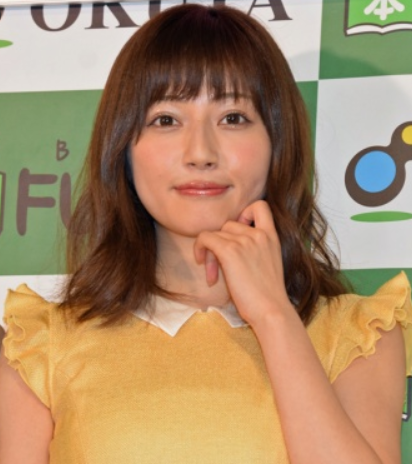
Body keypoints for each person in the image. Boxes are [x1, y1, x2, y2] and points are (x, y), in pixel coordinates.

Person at [1, 4, 411, 464]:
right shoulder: (40, 347)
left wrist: (274, 315)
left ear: (277, 143)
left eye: (233, 117)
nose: (200, 152)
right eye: (166, 119)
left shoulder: (357, 335)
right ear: (123, 149)